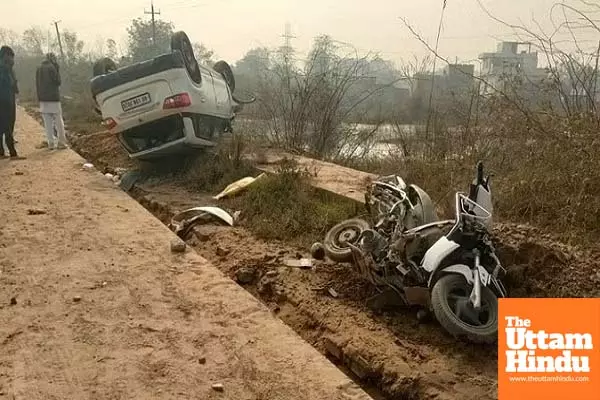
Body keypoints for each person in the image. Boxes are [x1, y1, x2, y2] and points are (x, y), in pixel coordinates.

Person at [36, 53, 67, 150]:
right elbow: (58, 82)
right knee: (58, 121)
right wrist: (57, 68)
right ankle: (61, 143)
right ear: (52, 58)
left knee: (47, 123)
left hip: (42, 99)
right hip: (53, 98)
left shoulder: (38, 68)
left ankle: (51, 144)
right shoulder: (52, 67)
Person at [0, 45, 24, 160]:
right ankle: (12, 153)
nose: (13, 60)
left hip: (6, 99)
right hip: (5, 100)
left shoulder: (7, 68)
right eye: (11, 57)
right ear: (6, 56)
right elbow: (9, 83)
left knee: (2, 126)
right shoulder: (5, 68)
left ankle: (1, 152)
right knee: (8, 125)